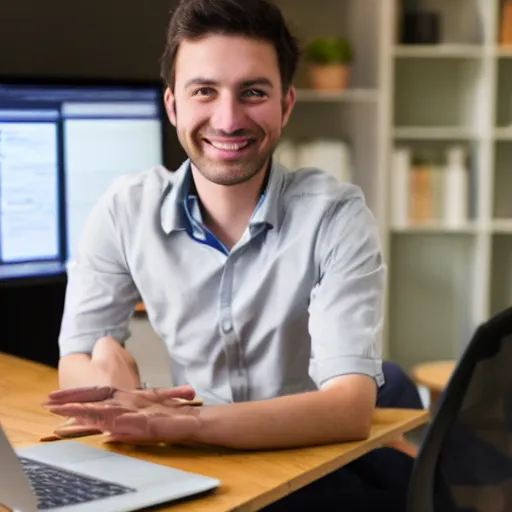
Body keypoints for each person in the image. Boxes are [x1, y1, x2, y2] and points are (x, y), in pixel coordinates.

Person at [46, 0, 423, 509]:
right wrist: (111, 387)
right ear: (173, 105)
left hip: (309, 463)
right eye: (205, 91)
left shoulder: (336, 215)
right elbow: (75, 359)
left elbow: (349, 408)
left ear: (286, 105)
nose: (227, 119)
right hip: (198, 466)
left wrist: (181, 423)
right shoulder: (124, 209)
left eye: (253, 92)